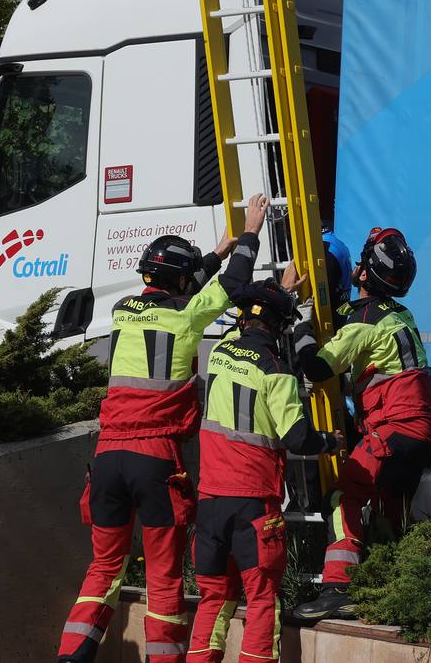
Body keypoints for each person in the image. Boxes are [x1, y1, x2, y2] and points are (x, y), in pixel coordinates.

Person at [59, 196, 271, 663]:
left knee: (104, 568)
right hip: (154, 460)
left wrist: (213, 254)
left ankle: (72, 655)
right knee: (163, 575)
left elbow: (182, 286)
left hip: (108, 456)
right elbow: (231, 288)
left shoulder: (122, 310)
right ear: (180, 280)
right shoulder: (186, 317)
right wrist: (251, 233)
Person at [289, 228, 431, 622]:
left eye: (359, 262)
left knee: (343, 498)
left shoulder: (363, 325)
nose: (354, 266)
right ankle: (391, 586)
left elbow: (318, 366)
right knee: (390, 508)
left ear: (362, 276)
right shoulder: (398, 314)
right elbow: (353, 315)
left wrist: (301, 327)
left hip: (395, 428)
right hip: (422, 432)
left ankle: (338, 588)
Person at [188, 279, 341, 663]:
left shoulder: (219, 353)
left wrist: (277, 291)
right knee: (260, 601)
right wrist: (332, 441)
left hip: (210, 500)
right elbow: (298, 438)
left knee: (213, 599)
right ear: (280, 327)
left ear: (244, 319)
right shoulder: (277, 372)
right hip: (253, 505)